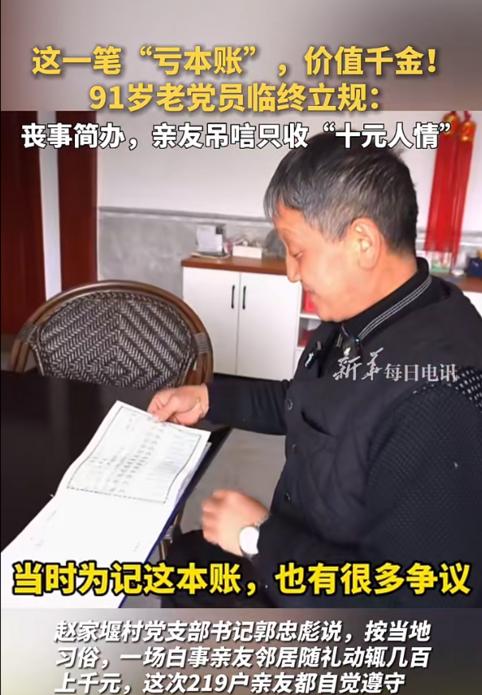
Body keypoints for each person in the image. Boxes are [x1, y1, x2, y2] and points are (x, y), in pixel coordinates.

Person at [149, 132, 482, 608]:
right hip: (299, 551)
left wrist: (258, 538)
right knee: (183, 563)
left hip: (338, 615)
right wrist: (207, 398)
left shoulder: (436, 397)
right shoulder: (370, 314)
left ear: (363, 242)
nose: (291, 272)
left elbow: (416, 606)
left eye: (298, 251)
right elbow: (307, 401)